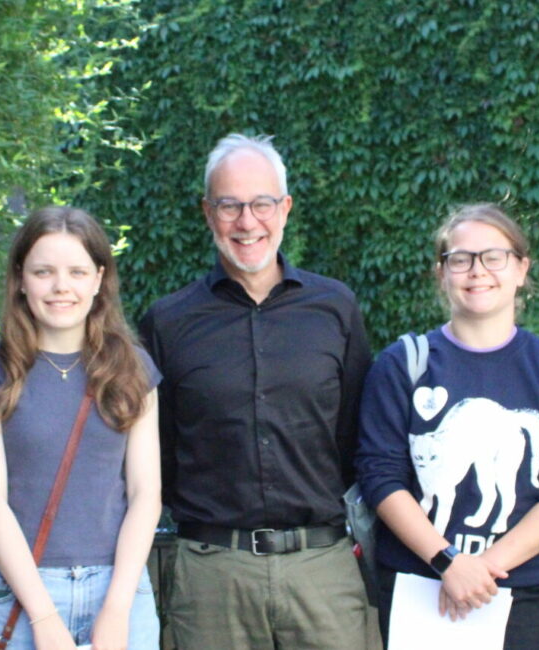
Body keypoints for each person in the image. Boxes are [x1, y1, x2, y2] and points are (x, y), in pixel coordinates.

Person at [138, 133, 373, 649]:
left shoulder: (336, 309)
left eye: (261, 203)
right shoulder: (167, 322)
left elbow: (357, 436)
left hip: (323, 571)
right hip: (213, 577)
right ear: (207, 213)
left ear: (284, 208)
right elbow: (154, 454)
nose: (247, 221)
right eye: (230, 205)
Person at [357, 204, 539, 649]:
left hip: (522, 595)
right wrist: (448, 562)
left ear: (522, 269)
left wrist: (480, 568)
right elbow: (380, 476)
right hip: (418, 591)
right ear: (441, 273)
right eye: (460, 259)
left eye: (494, 257)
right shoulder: (401, 365)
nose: (477, 271)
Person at [0, 206, 162, 649]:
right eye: (44, 271)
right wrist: (44, 616)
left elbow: (147, 494)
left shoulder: (133, 367)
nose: (61, 286)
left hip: (121, 584)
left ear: (99, 278)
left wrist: (117, 607)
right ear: (21, 279)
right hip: (21, 589)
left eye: (76, 271)